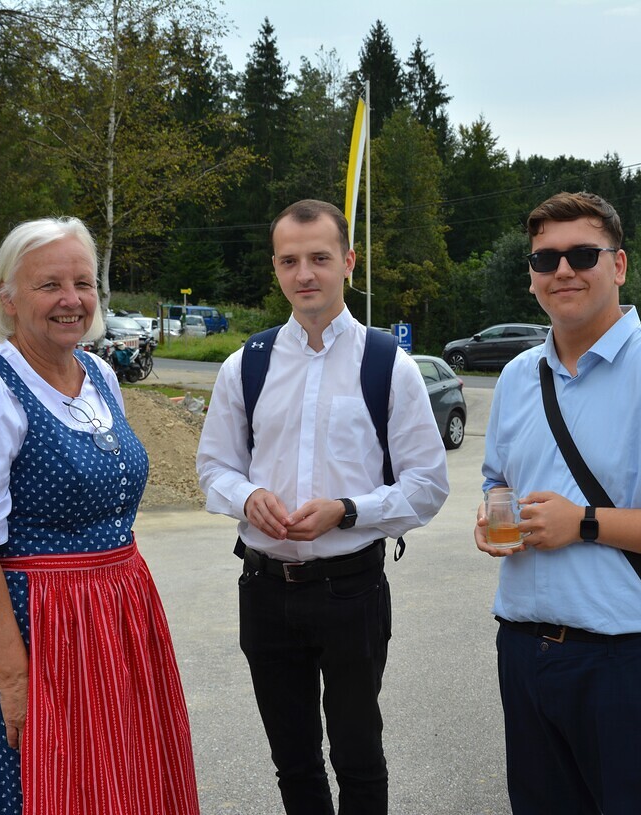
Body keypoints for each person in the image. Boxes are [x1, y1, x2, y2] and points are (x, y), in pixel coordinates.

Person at [475, 191, 641, 815]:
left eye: (582, 255)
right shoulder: (518, 377)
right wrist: (492, 517)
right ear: (531, 275)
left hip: (629, 661)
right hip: (524, 650)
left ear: (618, 265)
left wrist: (585, 524)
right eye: (545, 259)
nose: (562, 270)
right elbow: (497, 482)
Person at [0, 217, 199, 815]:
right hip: (37, 629)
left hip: (119, 618)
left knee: (123, 782)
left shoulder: (99, 374)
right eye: (49, 284)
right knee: (38, 785)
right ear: (8, 297)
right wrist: (14, 680)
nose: (71, 299)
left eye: (83, 283)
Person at [196, 199, 449, 815]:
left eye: (319, 258)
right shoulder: (246, 364)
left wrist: (348, 510)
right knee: (293, 760)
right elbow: (214, 468)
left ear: (348, 262)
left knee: (358, 757)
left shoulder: (388, 364)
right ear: (275, 268)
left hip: (350, 590)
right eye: (289, 261)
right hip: (264, 589)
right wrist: (247, 496)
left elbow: (427, 484)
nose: (304, 273)